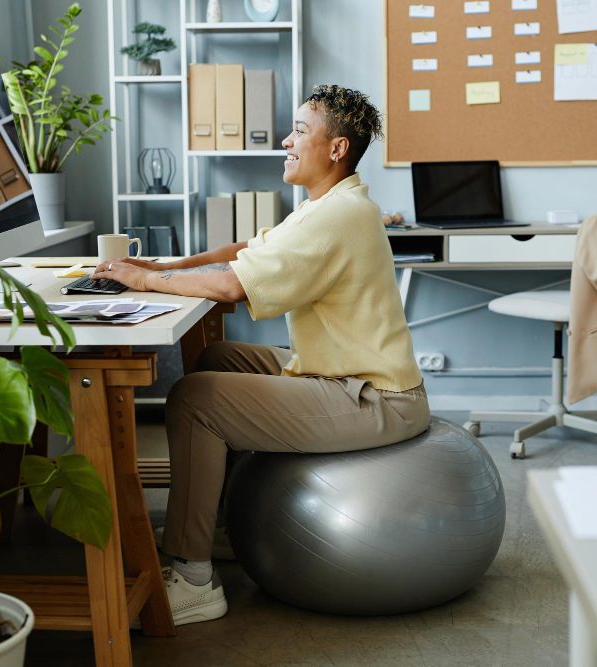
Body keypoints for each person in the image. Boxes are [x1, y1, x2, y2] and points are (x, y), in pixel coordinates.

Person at [93, 84, 429, 625]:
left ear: (336, 148)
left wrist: (136, 278)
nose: (284, 140)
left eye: (299, 130)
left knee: (196, 397)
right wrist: (162, 270)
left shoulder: (337, 216)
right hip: (333, 375)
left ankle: (194, 579)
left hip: (375, 398)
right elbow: (244, 253)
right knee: (218, 359)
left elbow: (231, 287)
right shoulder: (325, 204)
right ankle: (220, 524)